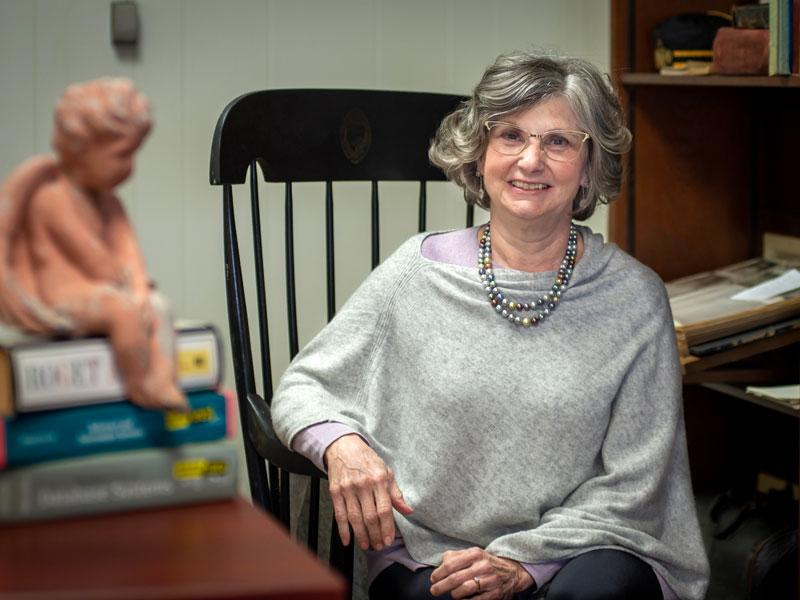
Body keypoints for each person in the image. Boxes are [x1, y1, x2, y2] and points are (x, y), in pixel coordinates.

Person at [272, 52, 709, 600]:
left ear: (589, 165)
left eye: (558, 141)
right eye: (510, 136)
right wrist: (344, 446)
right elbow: (304, 386)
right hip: (432, 547)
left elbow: (636, 482)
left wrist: (525, 564)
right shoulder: (416, 273)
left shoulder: (633, 297)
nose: (531, 160)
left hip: (589, 545)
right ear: (479, 155)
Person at [0, 78, 186, 411]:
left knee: (159, 306)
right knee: (121, 311)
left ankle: (164, 376)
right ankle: (139, 382)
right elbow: (92, 258)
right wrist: (129, 292)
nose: (130, 167)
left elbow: (129, 249)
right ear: (79, 149)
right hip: (65, 295)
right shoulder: (52, 198)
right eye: (121, 155)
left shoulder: (110, 203)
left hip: (108, 290)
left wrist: (141, 289)